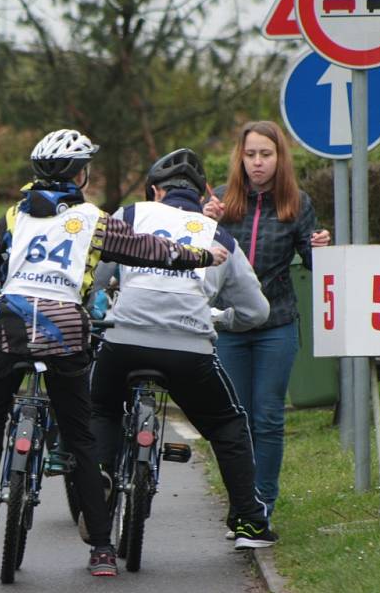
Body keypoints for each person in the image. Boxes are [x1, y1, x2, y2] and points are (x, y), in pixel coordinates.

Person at [0, 129, 226, 577]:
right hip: (64, 329)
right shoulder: (95, 220)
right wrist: (199, 256)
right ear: (80, 175)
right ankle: (101, 549)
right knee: (80, 438)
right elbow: (150, 249)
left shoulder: (12, 217)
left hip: (9, 325)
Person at [89, 147, 276, 550]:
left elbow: (95, 276)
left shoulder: (129, 215)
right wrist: (221, 319)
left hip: (124, 340)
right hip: (188, 350)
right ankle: (248, 521)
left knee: (101, 406)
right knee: (228, 425)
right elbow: (257, 311)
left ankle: (101, 472)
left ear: (155, 191)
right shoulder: (220, 236)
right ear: (199, 194)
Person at [203, 120, 331, 524]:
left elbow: (314, 266)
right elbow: (193, 253)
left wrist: (321, 247)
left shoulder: (297, 203)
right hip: (229, 325)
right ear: (240, 158)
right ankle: (240, 504)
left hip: (277, 324)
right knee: (233, 419)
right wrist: (203, 222)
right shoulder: (222, 202)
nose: (258, 163)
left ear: (280, 158)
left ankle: (262, 508)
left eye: (266, 154)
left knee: (268, 417)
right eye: (251, 154)